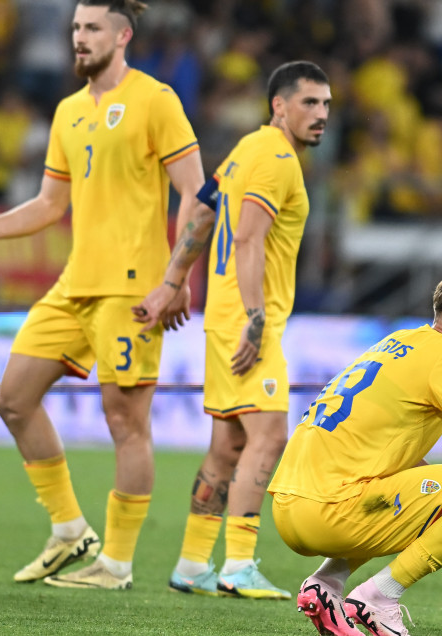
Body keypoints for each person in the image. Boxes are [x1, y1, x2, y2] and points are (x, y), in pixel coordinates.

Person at [0, 0, 203, 590]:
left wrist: (174, 278)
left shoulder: (155, 100)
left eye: (91, 28)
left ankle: (114, 564)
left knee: (125, 420)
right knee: (12, 399)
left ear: (123, 35)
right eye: (74, 29)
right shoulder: (67, 111)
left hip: (132, 288)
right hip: (74, 285)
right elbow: (49, 203)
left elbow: (196, 193)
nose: (79, 38)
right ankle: (70, 531)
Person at [131, 61, 332, 600]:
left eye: (327, 105)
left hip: (222, 315)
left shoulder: (247, 149)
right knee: (269, 436)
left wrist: (173, 282)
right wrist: (255, 316)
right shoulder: (277, 160)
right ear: (279, 106)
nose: (321, 115)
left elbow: (200, 213)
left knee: (229, 444)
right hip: (246, 317)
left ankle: (194, 562)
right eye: (309, 103)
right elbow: (247, 239)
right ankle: (238, 564)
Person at [271, 267, 442, 636]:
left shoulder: (399, 342)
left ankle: (326, 585)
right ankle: (379, 597)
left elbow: (389, 457)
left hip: (288, 507)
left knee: (393, 484)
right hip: (331, 512)